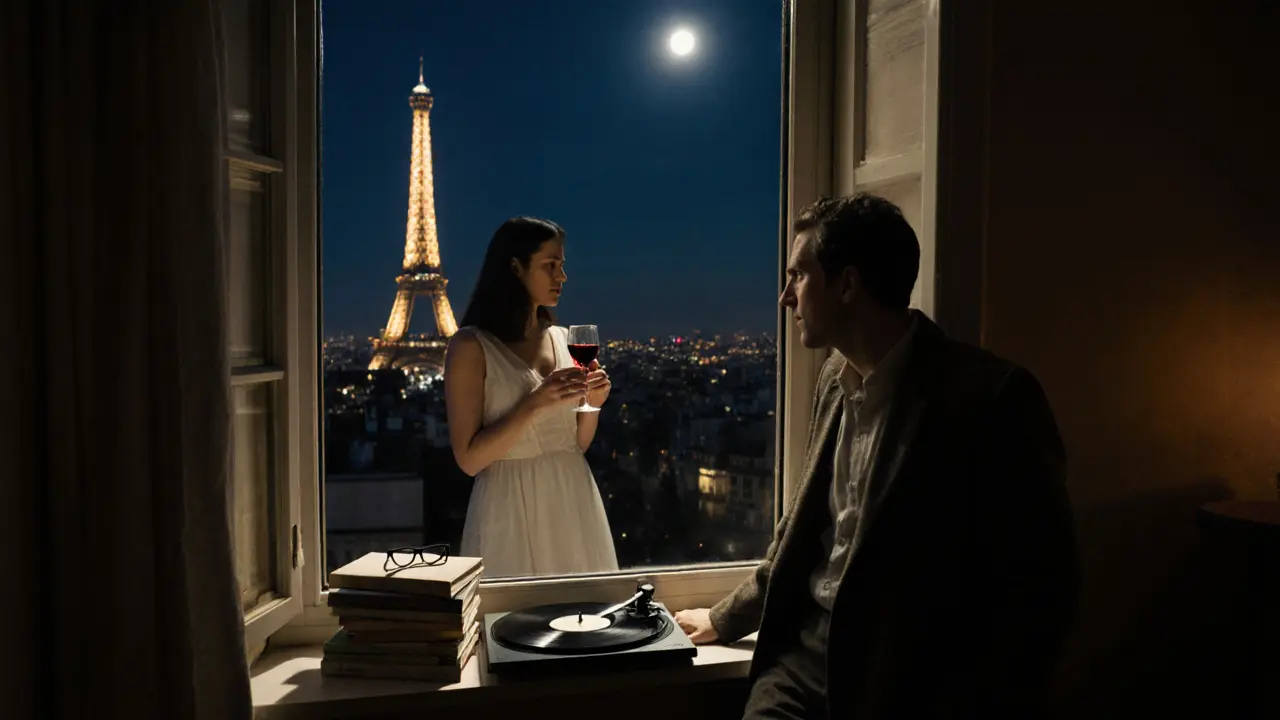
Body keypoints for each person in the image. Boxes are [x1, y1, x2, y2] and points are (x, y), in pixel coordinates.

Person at [675, 194, 1079, 718]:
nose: (785, 298)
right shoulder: (833, 380)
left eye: (798, 276)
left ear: (847, 285)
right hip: (803, 671)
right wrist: (727, 617)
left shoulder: (990, 398)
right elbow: (804, 535)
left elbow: (1042, 586)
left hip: (909, 687)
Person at [444, 216, 618, 578]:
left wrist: (594, 404)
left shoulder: (564, 339)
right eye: (550, 265)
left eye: (562, 265)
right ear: (515, 267)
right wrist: (535, 402)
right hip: (508, 507)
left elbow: (575, 445)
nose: (562, 276)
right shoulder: (470, 347)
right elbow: (469, 460)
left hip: (573, 496)